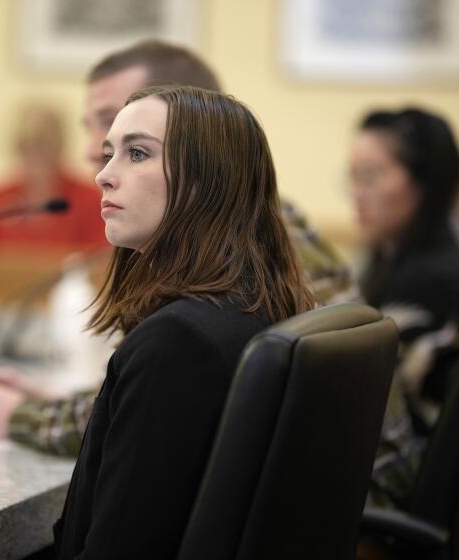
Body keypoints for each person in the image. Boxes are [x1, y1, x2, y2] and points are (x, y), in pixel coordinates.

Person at [0, 39, 354, 455]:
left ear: (196, 129)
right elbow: (165, 395)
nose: (92, 151)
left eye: (135, 146)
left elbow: (172, 386)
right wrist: (62, 402)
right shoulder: (223, 239)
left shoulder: (249, 254)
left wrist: (20, 415)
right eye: (95, 130)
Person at [55, 84, 317, 559]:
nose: (103, 177)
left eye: (137, 153)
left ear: (207, 179)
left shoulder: (176, 344)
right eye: (108, 154)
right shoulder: (256, 307)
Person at [350, 107, 459, 507]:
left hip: (404, 492)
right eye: (352, 177)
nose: (357, 192)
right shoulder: (400, 266)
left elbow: (390, 424)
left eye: (371, 175)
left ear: (425, 184)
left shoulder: (429, 282)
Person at [0, 101, 108, 251]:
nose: (35, 156)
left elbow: (101, 260)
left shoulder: (88, 199)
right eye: (26, 146)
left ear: (59, 147)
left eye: (44, 146)